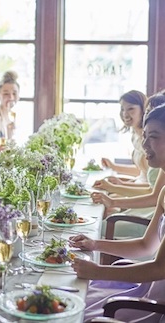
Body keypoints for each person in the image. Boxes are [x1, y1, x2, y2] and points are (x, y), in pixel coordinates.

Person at [70, 104, 165, 322]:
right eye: (146, 136)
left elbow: (160, 268)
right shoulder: (164, 193)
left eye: (154, 137)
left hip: (156, 306)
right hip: (147, 291)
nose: (145, 143)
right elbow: (145, 246)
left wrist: (98, 271)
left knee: (76, 309)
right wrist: (95, 244)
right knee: (74, 296)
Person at [91, 91, 165, 239]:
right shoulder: (146, 142)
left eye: (131, 108)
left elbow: (152, 194)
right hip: (149, 210)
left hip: (149, 213)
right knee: (99, 215)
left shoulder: (158, 154)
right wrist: (115, 171)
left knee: (97, 226)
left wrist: (114, 191)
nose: (148, 116)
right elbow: (142, 175)